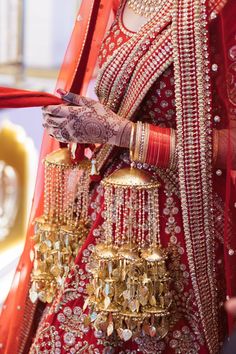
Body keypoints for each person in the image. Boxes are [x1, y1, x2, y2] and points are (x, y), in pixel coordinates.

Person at [1, 0, 236, 353]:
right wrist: (85, 124)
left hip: (186, 228)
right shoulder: (119, 2)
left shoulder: (222, 10)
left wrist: (127, 134)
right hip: (107, 212)